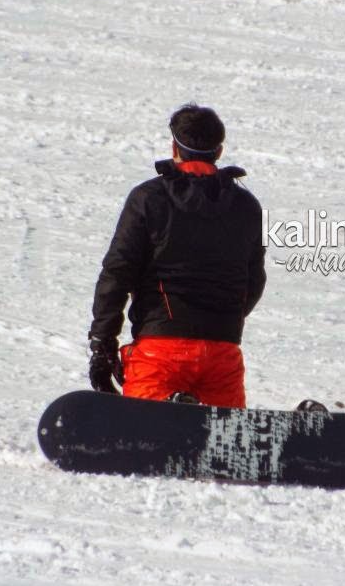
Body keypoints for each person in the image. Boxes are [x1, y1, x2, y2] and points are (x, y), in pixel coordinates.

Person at [87, 104, 266, 408]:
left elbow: (117, 271)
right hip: (222, 353)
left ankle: (175, 406)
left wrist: (103, 343)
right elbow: (254, 280)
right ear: (218, 151)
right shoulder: (248, 206)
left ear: (174, 147)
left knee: (145, 429)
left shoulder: (148, 198)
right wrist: (222, 320)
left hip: (160, 351)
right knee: (223, 440)